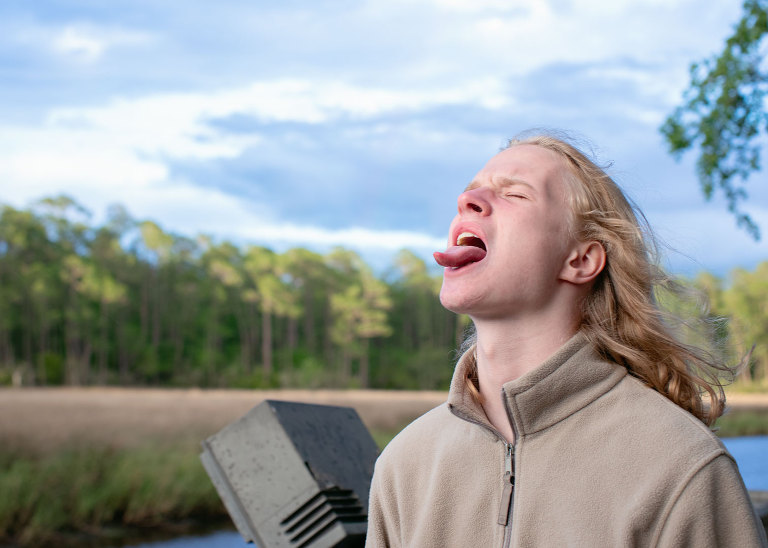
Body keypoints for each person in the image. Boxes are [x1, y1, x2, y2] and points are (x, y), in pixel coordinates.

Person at [365, 133, 768, 547]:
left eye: (514, 194)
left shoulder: (682, 465)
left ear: (581, 260)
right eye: (471, 192)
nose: (467, 201)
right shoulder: (403, 464)